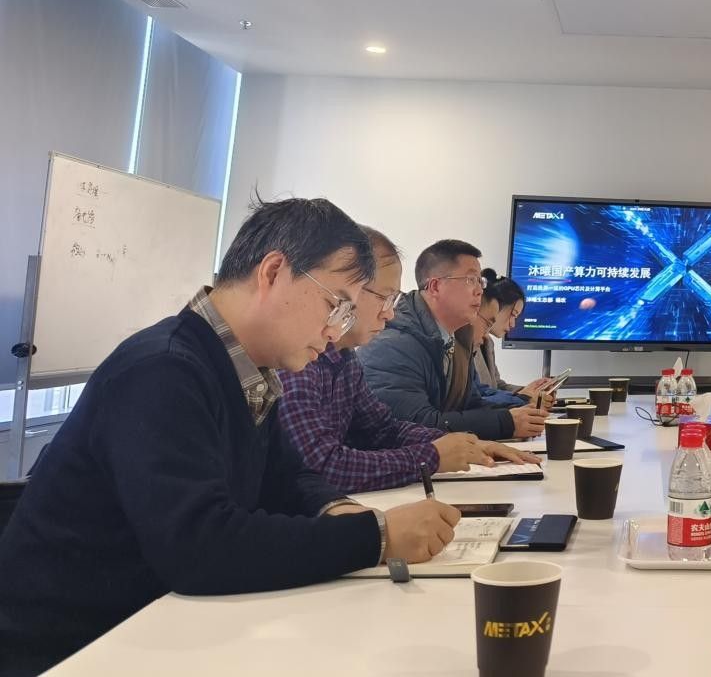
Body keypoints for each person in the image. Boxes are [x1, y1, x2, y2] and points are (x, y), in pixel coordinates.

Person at [0, 198, 461, 676]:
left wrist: (338, 510)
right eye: (335, 305)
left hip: (158, 628)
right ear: (273, 272)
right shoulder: (164, 369)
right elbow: (199, 547)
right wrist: (375, 537)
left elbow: (287, 476)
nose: (334, 329)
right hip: (73, 651)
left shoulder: (245, 368)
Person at [278, 228, 537, 494]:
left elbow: (384, 429)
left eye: (394, 299)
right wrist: (431, 456)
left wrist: (464, 444)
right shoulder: (299, 359)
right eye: (384, 297)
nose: (389, 313)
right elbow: (322, 466)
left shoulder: (344, 357)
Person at [360, 239, 549, 440]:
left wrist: (521, 409)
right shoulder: (393, 345)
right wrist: (505, 422)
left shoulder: (459, 338)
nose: (480, 291)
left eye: (480, 281)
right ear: (435, 287)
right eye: (470, 280)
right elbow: (416, 424)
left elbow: (471, 405)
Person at [471, 270, 553, 408]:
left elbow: (495, 387)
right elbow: (477, 398)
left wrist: (528, 391)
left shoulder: (488, 343)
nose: (513, 324)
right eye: (513, 315)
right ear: (497, 304)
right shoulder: (464, 342)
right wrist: (523, 397)